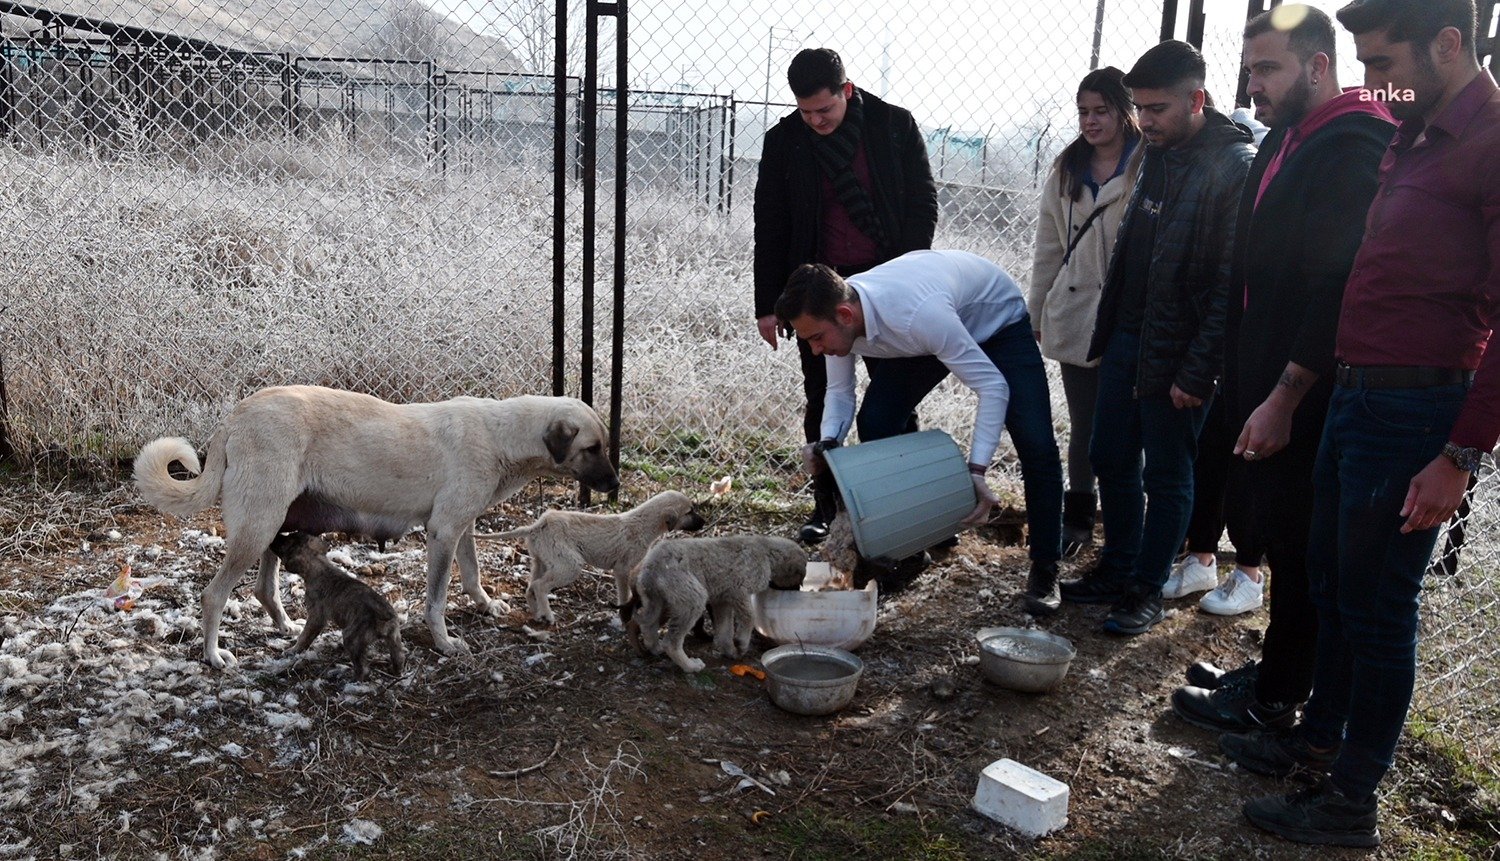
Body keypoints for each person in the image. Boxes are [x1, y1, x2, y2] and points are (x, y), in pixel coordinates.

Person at [1222, 0, 1498, 848]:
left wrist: (1459, 452)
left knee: (1379, 606)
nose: (1373, 84)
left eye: (1383, 63)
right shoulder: (1413, 135)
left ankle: (1350, 798)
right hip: (1357, 393)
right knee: (1336, 589)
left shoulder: (1489, 145)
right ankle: (1315, 741)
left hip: (1417, 409)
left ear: (1448, 44)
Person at [1171, 4, 1394, 735]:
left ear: (1319, 66)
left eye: (1268, 68)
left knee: (1300, 548)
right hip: (1260, 382)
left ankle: (1277, 697)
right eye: (1250, 69)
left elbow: (1332, 287)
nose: (1253, 84)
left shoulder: (1354, 146)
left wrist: (1284, 393)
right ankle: (1276, 673)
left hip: (1311, 394)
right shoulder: (1286, 141)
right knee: (1279, 531)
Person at [1058, 40, 1255, 636]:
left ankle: (1147, 589)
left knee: (1166, 475)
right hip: (1126, 340)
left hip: (1179, 355)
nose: (1145, 121)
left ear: (1196, 99)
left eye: (1158, 108)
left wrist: (1200, 370)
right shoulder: (1160, 154)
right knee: (1109, 455)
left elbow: (1231, 285)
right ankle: (1117, 569)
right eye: (1139, 108)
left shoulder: (1233, 167)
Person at [775, 250, 1064, 598]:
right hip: (932, 331)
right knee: (877, 421)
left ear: (846, 315)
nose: (816, 350)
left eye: (816, 338)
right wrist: (827, 444)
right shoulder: (839, 315)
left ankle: (1046, 566)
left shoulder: (916, 316)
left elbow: (992, 386)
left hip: (995, 321)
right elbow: (839, 391)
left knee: (1036, 442)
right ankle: (906, 550)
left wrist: (977, 471)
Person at [753, 47, 938, 545]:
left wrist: (910, 271)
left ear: (846, 91)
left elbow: (922, 201)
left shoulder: (893, 125)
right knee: (822, 396)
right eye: (804, 111)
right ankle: (827, 507)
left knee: (895, 399)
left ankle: (910, 504)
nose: (814, 121)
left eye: (825, 110)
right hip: (815, 291)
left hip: (887, 288)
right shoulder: (784, 141)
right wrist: (769, 304)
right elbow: (769, 225)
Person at [1028, 66, 1143, 583]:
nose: (1091, 121)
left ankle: (1127, 532)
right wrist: (1036, 312)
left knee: (1124, 433)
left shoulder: (1150, 162)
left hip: (1128, 315)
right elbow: (1048, 247)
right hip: (1076, 314)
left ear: (1126, 110)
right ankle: (1077, 519)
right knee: (1084, 424)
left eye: (1101, 111)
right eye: (1083, 112)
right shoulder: (1066, 169)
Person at [1165, 398, 1265, 615]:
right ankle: (1201, 558)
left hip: (1265, 373)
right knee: (1209, 446)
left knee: (1247, 454)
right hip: (1226, 369)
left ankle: (1249, 574)